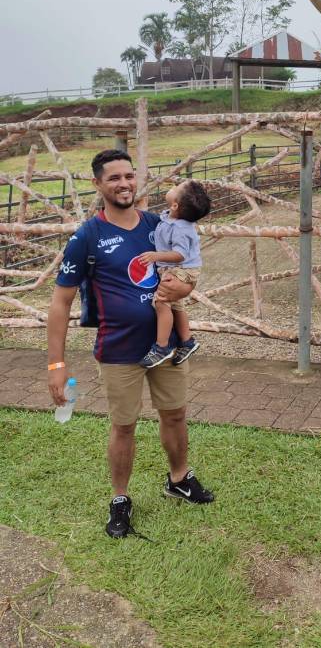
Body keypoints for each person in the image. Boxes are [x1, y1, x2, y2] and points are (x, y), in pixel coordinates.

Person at [47, 149, 214, 539]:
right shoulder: (88, 236)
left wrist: (186, 285)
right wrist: (56, 364)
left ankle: (178, 478)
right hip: (119, 349)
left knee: (174, 414)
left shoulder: (160, 224)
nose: (123, 184)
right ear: (98, 184)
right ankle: (120, 499)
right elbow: (60, 302)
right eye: (114, 178)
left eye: (129, 176)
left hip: (167, 345)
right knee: (124, 426)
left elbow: (189, 267)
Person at [138, 179, 211, 369]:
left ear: (175, 204)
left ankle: (161, 346)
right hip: (177, 269)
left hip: (182, 269)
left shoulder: (180, 228)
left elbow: (180, 255)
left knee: (161, 301)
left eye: (175, 188)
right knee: (176, 305)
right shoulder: (171, 218)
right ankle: (187, 340)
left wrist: (156, 256)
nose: (172, 187)